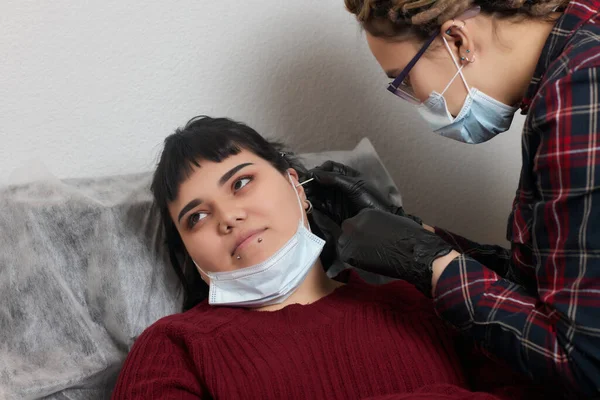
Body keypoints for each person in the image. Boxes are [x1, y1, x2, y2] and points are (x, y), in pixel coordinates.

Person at [111, 116, 543, 400]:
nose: (228, 216)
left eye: (241, 183)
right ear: (188, 252)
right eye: (197, 216)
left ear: (296, 187)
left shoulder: (419, 303)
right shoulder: (174, 346)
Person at [306, 0, 600, 397]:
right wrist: (417, 235)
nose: (415, 101)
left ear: (458, 40)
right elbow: (555, 285)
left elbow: (584, 361)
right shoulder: (582, 56)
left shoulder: (579, 94)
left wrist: (429, 263)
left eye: (405, 82)